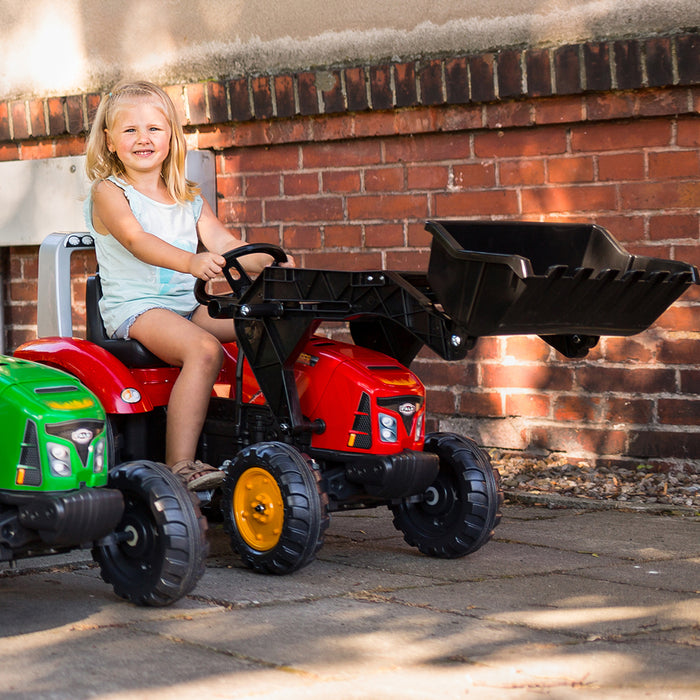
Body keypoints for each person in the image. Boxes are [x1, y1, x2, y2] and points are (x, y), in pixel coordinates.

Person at [84, 80, 294, 491]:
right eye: (130, 130)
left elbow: (228, 245)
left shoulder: (188, 198)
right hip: (138, 308)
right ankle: (180, 464)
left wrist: (272, 260)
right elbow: (136, 240)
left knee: (263, 322)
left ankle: (273, 435)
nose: (143, 139)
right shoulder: (109, 192)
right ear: (110, 141)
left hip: (186, 304)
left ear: (170, 138)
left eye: (153, 129)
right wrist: (191, 261)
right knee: (203, 348)